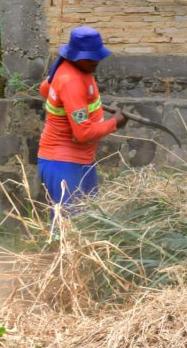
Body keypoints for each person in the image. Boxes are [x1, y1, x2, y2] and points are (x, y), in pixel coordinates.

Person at [37, 26, 127, 216]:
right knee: (67, 228)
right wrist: (114, 123)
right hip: (64, 162)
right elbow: (83, 133)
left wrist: (77, 105)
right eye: (90, 57)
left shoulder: (68, 69)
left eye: (98, 55)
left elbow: (45, 89)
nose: (96, 60)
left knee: (88, 222)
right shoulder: (72, 81)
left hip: (79, 161)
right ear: (76, 56)